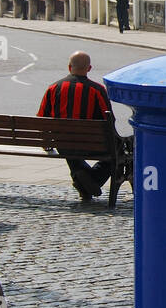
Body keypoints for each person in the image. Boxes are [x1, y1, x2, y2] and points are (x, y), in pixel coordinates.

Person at [37, 52, 113, 203]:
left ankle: (83, 182)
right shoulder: (97, 90)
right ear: (89, 68)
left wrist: (46, 142)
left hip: (62, 144)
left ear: (69, 67)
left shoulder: (53, 88)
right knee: (113, 158)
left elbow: (42, 119)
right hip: (92, 144)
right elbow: (108, 121)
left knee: (71, 152)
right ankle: (92, 180)